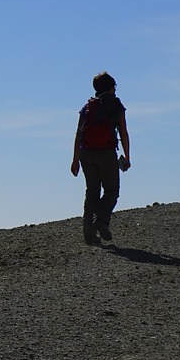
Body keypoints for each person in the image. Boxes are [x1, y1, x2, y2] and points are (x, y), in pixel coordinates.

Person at [70, 71, 131, 245]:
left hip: (86, 153)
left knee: (92, 191)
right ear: (111, 87)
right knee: (112, 190)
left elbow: (78, 134)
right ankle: (101, 221)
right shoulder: (116, 106)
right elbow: (124, 133)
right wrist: (127, 155)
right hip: (106, 153)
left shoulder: (88, 107)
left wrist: (75, 160)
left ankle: (88, 234)